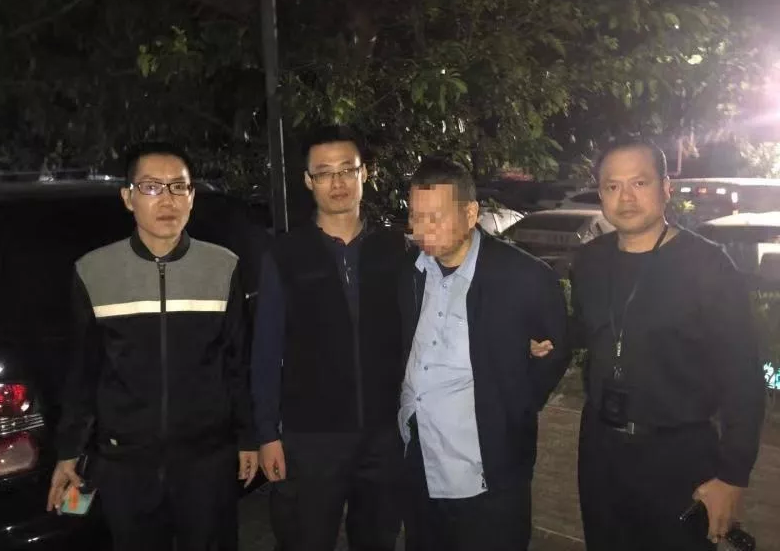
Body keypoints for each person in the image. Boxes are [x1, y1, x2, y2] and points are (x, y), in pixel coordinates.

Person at [47, 143, 258, 551]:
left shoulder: (223, 266)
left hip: (207, 459)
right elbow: (84, 370)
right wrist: (69, 451)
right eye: (151, 187)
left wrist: (249, 437)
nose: (167, 199)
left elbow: (237, 362)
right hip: (126, 463)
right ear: (128, 197)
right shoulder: (94, 271)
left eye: (179, 187)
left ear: (192, 196)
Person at [570, 140, 765, 550]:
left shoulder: (707, 266)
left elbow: (743, 378)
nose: (626, 197)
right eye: (612, 186)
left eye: (639, 183)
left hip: (679, 454)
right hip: (601, 449)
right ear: (600, 193)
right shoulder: (589, 261)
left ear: (666, 187)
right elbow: (589, 329)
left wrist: (732, 476)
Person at [399, 157, 570, 551]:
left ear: (471, 213)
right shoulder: (409, 271)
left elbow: (555, 350)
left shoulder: (524, 276)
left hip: (488, 471)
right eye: (415, 216)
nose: (422, 229)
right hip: (419, 461)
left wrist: (513, 406)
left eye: (435, 217)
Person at [251, 126, 408, 551]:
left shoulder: (396, 249)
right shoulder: (285, 254)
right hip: (310, 438)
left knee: (378, 540)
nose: (337, 182)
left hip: (384, 433)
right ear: (308, 180)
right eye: (324, 172)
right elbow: (266, 350)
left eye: (347, 169)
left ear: (364, 173)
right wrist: (266, 434)